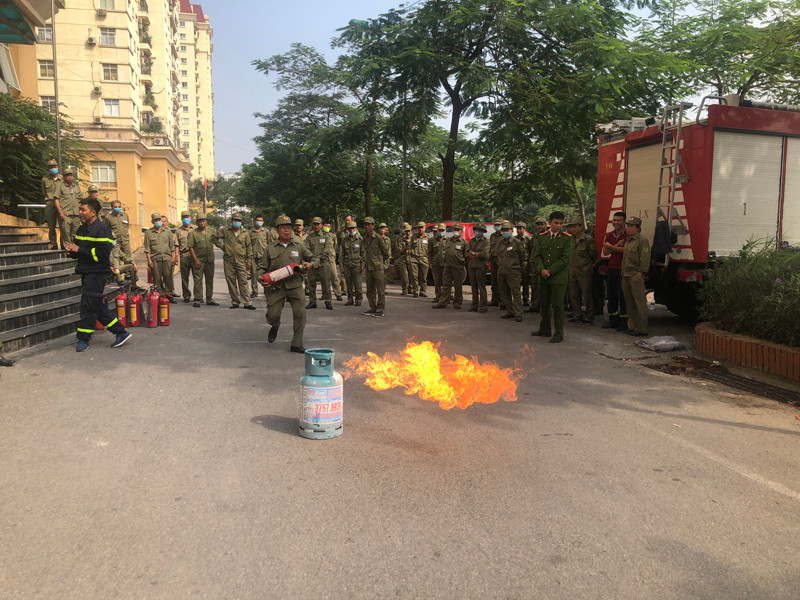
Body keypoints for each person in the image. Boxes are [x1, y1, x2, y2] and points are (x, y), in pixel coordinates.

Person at [63, 198, 132, 352]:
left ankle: (83, 338)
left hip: (97, 273)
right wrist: (70, 250)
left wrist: (79, 250)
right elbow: (78, 251)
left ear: (93, 213)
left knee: (87, 305)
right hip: (86, 271)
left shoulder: (102, 230)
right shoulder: (82, 229)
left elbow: (101, 255)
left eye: (83, 210)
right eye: (80, 209)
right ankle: (120, 332)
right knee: (95, 305)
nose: (80, 213)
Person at [259, 215, 317, 353]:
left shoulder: (299, 247)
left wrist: (311, 264)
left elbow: (314, 258)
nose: (287, 230)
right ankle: (275, 325)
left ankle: (296, 344)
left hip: (295, 286)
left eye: (289, 228)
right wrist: (260, 278)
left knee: (300, 315)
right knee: (272, 315)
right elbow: (261, 267)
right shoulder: (270, 248)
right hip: (276, 287)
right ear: (277, 231)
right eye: (283, 228)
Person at [532, 211, 573, 343]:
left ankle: (559, 332)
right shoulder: (542, 237)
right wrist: (542, 269)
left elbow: (565, 259)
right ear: (549, 223)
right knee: (544, 304)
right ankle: (545, 329)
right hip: (543, 276)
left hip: (558, 278)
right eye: (556, 223)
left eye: (561, 223)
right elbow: (538, 256)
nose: (558, 226)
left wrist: (549, 271)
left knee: (558, 305)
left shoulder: (567, 238)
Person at [212, 212, 255, 310]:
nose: (237, 222)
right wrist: (222, 247)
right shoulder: (225, 230)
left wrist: (249, 260)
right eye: (235, 220)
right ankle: (235, 301)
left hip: (241, 260)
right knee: (231, 282)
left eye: (239, 220)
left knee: (243, 282)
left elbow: (249, 247)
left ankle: (247, 302)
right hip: (229, 260)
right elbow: (213, 237)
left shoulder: (245, 233)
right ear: (232, 221)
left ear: (241, 222)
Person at [621, 216, 651, 337]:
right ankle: (632, 326)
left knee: (640, 302)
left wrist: (641, 272)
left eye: (631, 226)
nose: (628, 228)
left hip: (635, 275)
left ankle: (642, 329)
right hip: (626, 274)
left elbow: (645, 257)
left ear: (637, 228)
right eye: (627, 226)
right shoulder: (628, 240)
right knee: (629, 302)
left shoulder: (642, 240)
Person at [566, 218, 598, 325]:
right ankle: (577, 314)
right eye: (571, 227)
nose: (572, 229)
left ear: (580, 227)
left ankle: (589, 316)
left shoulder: (588, 240)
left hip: (584, 272)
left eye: (574, 226)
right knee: (574, 295)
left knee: (587, 295)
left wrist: (590, 268)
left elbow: (594, 255)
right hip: (572, 272)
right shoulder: (569, 240)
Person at [601, 211, 628, 330]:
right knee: (611, 295)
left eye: (619, 220)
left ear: (624, 222)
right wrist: (617, 245)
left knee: (622, 295)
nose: (616, 222)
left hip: (623, 268)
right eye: (615, 220)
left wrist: (611, 246)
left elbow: (625, 250)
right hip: (611, 268)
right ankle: (613, 320)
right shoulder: (609, 235)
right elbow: (605, 252)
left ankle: (624, 321)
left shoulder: (628, 235)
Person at [143, 213, 178, 303]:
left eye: (159, 220)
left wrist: (173, 258)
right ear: (152, 221)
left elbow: (171, 246)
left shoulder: (167, 232)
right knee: (157, 278)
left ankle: (168, 294)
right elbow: (147, 248)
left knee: (168, 277)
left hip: (167, 258)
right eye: (156, 220)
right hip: (155, 259)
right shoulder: (149, 233)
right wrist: (149, 260)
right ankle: (160, 295)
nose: (158, 222)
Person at [497, 220, 527, 321]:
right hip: (502, 272)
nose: (505, 232)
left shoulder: (517, 242)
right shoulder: (500, 243)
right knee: (505, 293)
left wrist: (516, 267)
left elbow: (522, 257)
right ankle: (510, 311)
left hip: (513, 272)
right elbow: (498, 256)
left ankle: (518, 313)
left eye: (507, 230)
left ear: (511, 231)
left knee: (516, 293)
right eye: (503, 230)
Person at [187, 213, 219, 307]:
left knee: (210, 280)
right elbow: (191, 247)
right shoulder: (193, 234)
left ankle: (209, 298)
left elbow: (216, 241)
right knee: (198, 280)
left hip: (210, 260)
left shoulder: (211, 232)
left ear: (206, 222)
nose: (202, 223)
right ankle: (198, 299)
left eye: (203, 221)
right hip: (199, 260)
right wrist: (196, 260)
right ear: (197, 223)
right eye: (200, 221)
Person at [434, 223, 468, 309]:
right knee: (446, 285)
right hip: (447, 266)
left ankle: (457, 302)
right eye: (455, 229)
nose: (456, 231)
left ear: (461, 231)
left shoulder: (463, 243)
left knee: (458, 286)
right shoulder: (448, 240)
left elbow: (466, 255)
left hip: (458, 267)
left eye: (458, 230)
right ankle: (443, 302)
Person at [305, 216, 335, 310]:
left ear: (321, 225)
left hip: (323, 263)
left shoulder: (326, 237)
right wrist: (314, 261)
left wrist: (317, 261)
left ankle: (328, 301)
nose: (316, 226)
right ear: (312, 225)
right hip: (312, 264)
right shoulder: (309, 238)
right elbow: (306, 250)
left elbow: (327, 250)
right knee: (311, 284)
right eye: (314, 224)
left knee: (326, 283)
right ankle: (312, 301)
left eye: (318, 224)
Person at [362, 216, 390, 317]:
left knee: (380, 290)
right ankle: (372, 307)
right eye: (365, 224)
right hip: (368, 268)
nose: (367, 226)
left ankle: (380, 309)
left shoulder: (378, 238)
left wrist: (380, 263)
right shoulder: (364, 238)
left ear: (373, 226)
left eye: (369, 224)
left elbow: (385, 253)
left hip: (378, 268)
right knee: (370, 290)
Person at [54, 168, 81, 248]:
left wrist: (80, 211)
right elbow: (56, 199)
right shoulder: (60, 186)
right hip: (65, 214)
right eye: (67, 175)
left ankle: (74, 249)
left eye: (71, 175)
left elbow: (80, 200)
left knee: (76, 233)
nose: (70, 177)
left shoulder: (76, 187)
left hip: (76, 214)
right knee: (65, 233)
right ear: (64, 177)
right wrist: (60, 212)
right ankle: (68, 250)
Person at [339, 220, 364, 306]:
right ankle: (350, 299)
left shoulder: (360, 240)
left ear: (356, 229)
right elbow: (341, 253)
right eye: (350, 228)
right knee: (348, 283)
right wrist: (341, 265)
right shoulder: (344, 240)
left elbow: (363, 253)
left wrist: (362, 265)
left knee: (357, 283)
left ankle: (358, 299)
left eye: (353, 228)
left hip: (357, 264)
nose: (351, 230)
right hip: (347, 264)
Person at [527, 217, 548, 313]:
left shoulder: (549, 236)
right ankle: (535, 305)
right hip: (534, 264)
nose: (539, 226)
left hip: (545, 265)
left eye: (541, 224)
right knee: (534, 285)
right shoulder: (534, 237)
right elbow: (530, 250)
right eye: (538, 225)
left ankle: (544, 305)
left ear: (546, 225)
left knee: (544, 286)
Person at [467, 222, 490, 312]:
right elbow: (467, 253)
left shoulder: (486, 242)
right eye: (477, 230)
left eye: (480, 230)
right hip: (472, 266)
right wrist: (475, 254)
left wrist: (473, 253)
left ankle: (483, 306)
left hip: (481, 266)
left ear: (483, 232)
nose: (478, 232)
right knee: (473, 286)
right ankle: (474, 305)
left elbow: (484, 254)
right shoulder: (471, 241)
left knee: (481, 287)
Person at [41, 159, 62, 249]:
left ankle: (63, 244)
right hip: (50, 204)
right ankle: (54, 244)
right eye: (51, 167)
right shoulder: (44, 179)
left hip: (61, 204)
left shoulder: (62, 179)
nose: (53, 168)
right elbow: (44, 192)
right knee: (51, 225)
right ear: (48, 168)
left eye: (54, 166)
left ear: (57, 167)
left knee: (63, 225)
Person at [175, 210, 195, 303]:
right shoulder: (178, 231)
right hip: (184, 255)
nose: (185, 219)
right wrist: (176, 256)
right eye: (183, 217)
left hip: (195, 255)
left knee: (197, 277)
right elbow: (177, 245)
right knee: (184, 277)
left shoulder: (195, 229)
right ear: (181, 219)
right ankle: (186, 295)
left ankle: (198, 295)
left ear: (190, 218)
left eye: (187, 217)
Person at [250, 215, 271, 299]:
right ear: (254, 221)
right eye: (257, 220)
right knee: (253, 274)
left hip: (263, 256)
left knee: (265, 274)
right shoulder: (250, 232)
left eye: (261, 220)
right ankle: (254, 291)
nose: (259, 222)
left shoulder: (266, 231)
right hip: (253, 256)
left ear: (263, 222)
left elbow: (269, 243)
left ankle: (267, 291)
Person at [408, 221, 430, 298]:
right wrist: (410, 257)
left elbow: (430, 249)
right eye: (419, 228)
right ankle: (415, 291)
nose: (420, 229)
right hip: (414, 258)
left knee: (423, 277)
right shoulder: (413, 237)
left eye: (422, 228)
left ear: (425, 228)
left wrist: (429, 259)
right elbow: (410, 247)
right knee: (414, 276)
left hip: (424, 258)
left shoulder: (428, 238)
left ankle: (423, 291)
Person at [323, 219, 343, 301]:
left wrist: (333, 254)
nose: (327, 227)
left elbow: (335, 246)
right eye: (326, 226)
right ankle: (325, 294)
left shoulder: (333, 236)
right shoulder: (320, 236)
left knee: (334, 276)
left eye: (329, 226)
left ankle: (338, 293)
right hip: (323, 259)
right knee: (324, 278)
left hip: (331, 259)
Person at [429, 224, 447, 303]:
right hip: (435, 263)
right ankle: (438, 296)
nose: (441, 232)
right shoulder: (432, 240)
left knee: (446, 281)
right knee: (437, 281)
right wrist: (430, 262)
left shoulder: (448, 240)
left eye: (443, 230)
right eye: (440, 230)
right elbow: (430, 252)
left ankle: (447, 296)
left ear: (445, 231)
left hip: (445, 264)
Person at [488, 219, 504, 307]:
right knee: (493, 281)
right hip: (493, 259)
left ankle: (502, 300)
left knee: (501, 281)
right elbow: (490, 248)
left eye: (498, 225)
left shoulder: (504, 235)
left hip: (501, 260)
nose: (496, 226)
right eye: (495, 225)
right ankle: (494, 300)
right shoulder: (492, 236)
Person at [393, 224, 412, 295]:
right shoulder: (400, 239)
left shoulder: (414, 239)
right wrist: (403, 249)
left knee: (411, 275)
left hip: (411, 259)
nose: (407, 233)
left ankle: (411, 288)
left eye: (409, 231)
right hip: (402, 259)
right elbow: (398, 250)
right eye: (406, 231)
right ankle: (405, 289)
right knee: (404, 276)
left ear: (411, 231)